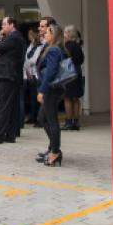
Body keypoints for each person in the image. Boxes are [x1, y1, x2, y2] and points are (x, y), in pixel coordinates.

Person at [0, 16, 26, 145]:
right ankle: (10, 134)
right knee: (11, 106)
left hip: (7, 75)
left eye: (4, 24)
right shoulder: (14, 38)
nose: (2, 27)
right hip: (10, 75)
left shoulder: (14, 38)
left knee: (3, 106)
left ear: (12, 25)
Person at [36, 23, 66, 166]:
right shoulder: (54, 48)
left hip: (51, 90)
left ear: (53, 35)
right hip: (52, 89)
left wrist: (42, 90)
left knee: (51, 120)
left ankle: (55, 152)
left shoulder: (54, 50)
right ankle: (53, 148)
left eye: (47, 32)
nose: (44, 34)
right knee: (43, 118)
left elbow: (50, 72)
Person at [62, 25, 85, 131]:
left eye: (65, 32)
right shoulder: (78, 45)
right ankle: (76, 122)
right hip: (77, 72)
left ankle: (68, 122)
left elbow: (62, 59)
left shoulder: (66, 46)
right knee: (76, 98)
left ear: (68, 34)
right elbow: (81, 60)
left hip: (68, 73)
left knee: (67, 98)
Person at [23, 27, 43, 126]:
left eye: (30, 34)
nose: (29, 37)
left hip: (36, 74)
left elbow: (34, 60)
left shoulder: (40, 46)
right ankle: (32, 116)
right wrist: (27, 67)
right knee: (32, 97)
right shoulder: (30, 46)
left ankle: (39, 118)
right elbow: (26, 58)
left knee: (38, 97)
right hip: (29, 74)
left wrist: (28, 63)